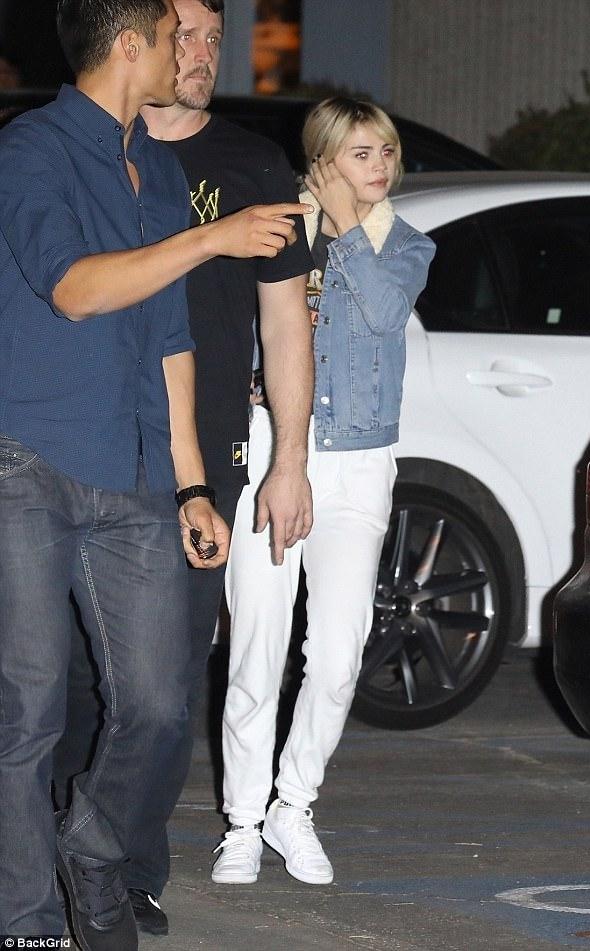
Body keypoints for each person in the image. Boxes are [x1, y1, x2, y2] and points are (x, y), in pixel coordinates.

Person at [0, 0, 309, 946]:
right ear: (131, 44)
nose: (194, 51)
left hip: (137, 472)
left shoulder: (162, 170)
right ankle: (26, 920)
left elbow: (173, 337)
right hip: (29, 462)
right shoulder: (31, 150)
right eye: (178, 36)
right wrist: (214, 238)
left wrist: (191, 484)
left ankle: (92, 844)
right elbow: (74, 288)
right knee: (29, 706)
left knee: (162, 704)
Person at [213, 96, 436, 886]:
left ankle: (294, 804)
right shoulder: (277, 231)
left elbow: (382, 310)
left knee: (338, 654)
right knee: (257, 645)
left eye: (386, 151)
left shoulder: (406, 245)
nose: (379, 166)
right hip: (276, 447)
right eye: (359, 153)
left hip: (359, 464)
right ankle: (243, 820)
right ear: (322, 159)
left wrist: (340, 224)